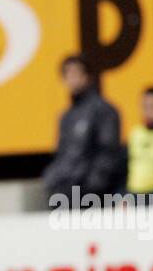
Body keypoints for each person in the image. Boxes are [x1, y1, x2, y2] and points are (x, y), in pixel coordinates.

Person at [42, 54, 125, 207]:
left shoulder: (103, 110)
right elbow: (62, 154)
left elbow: (108, 151)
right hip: (66, 190)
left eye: (76, 73)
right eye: (67, 74)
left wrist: (94, 185)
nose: (72, 79)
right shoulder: (66, 116)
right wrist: (52, 178)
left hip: (92, 194)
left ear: (87, 76)